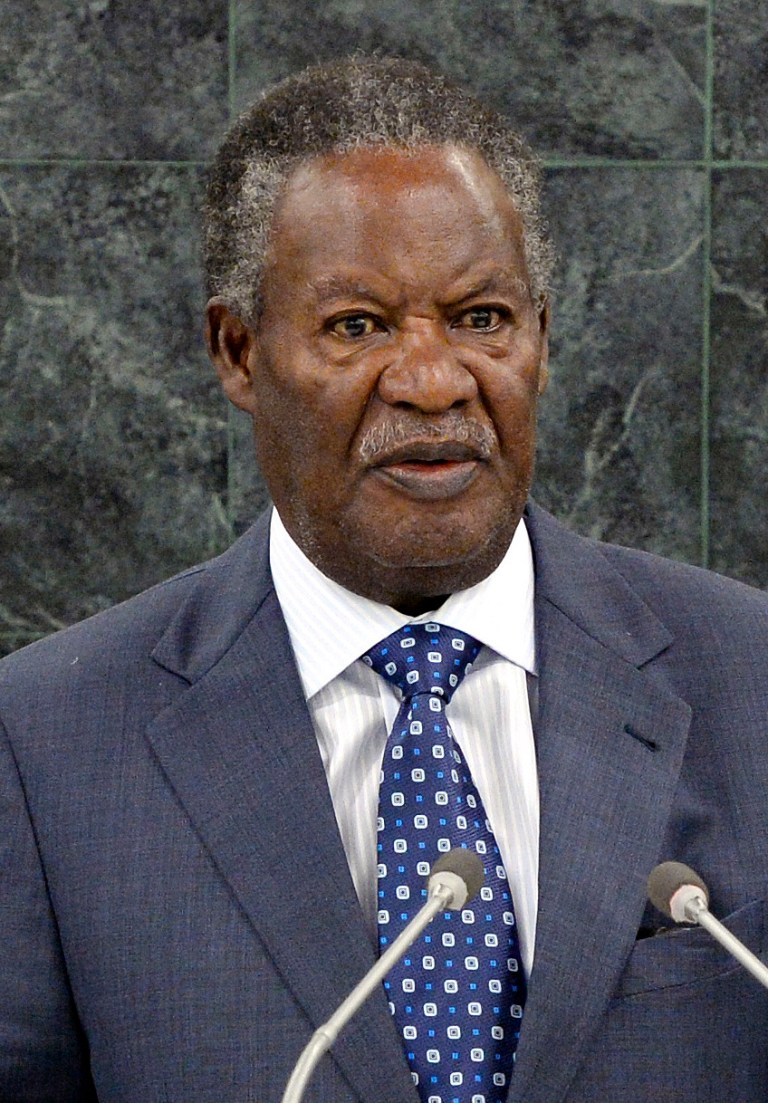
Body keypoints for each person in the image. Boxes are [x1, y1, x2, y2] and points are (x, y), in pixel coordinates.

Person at [1, 56, 768, 1103]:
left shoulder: (751, 679)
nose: (432, 378)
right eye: (357, 325)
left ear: (542, 334)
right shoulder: (47, 744)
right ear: (236, 349)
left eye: (482, 317)